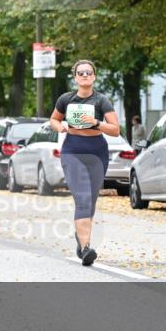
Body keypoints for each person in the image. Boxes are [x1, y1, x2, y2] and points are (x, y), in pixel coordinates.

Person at [50, 60, 121, 267]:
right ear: (75, 77)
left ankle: (81, 240)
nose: (84, 75)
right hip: (73, 151)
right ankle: (86, 248)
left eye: (88, 72)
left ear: (94, 76)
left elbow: (115, 130)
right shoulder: (66, 99)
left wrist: (96, 123)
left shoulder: (101, 101)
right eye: (80, 73)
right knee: (82, 199)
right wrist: (60, 127)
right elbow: (53, 119)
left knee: (91, 200)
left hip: (97, 152)